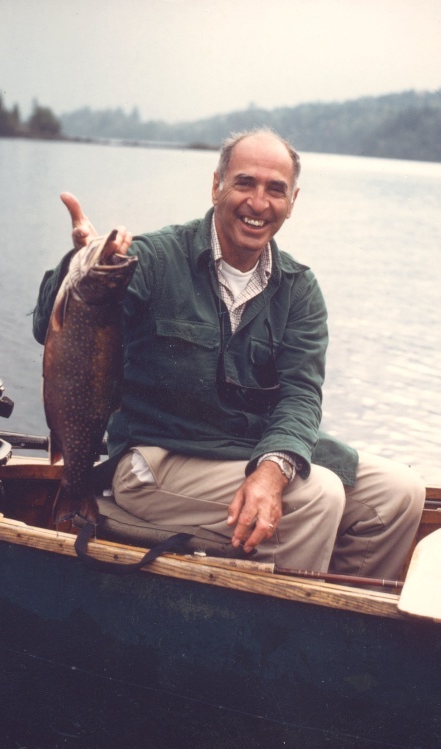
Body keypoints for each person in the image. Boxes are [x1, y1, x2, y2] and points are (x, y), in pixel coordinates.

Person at [33, 127, 425, 580]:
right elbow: (54, 327)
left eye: (275, 189)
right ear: (216, 185)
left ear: (293, 201)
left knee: (400, 493)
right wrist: (80, 267)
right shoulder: (154, 259)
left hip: (243, 449)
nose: (258, 203)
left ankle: (349, 634)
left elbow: (301, 397)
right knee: (320, 495)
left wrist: (272, 470)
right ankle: (281, 641)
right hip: (154, 459)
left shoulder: (299, 289)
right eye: (244, 183)